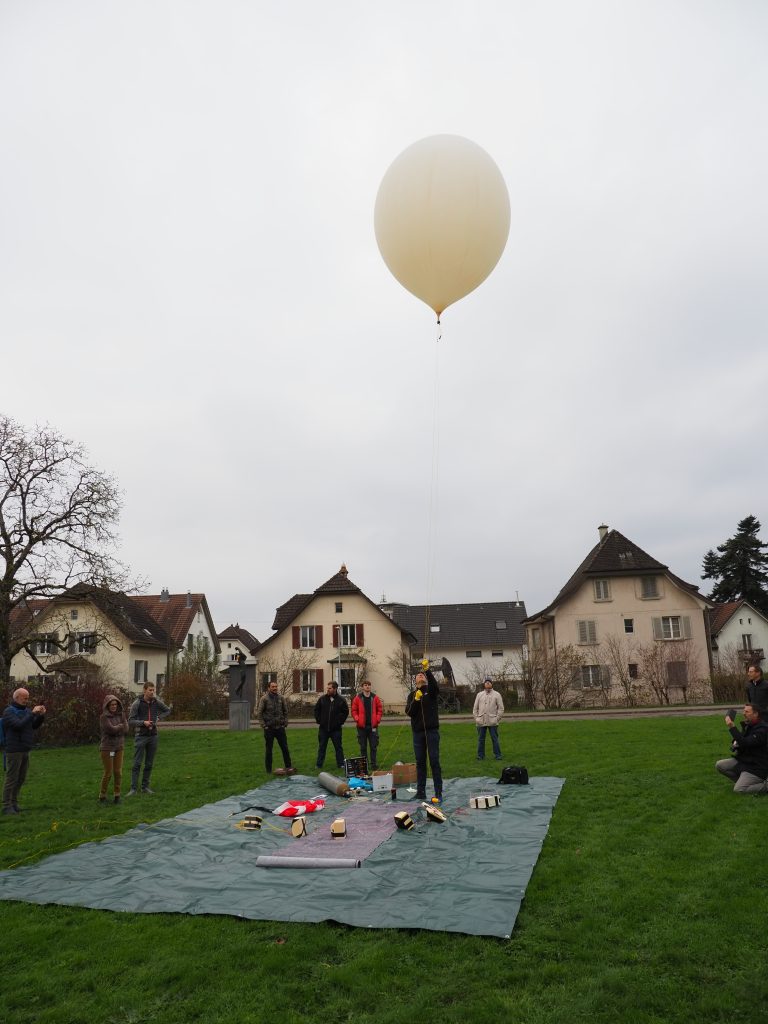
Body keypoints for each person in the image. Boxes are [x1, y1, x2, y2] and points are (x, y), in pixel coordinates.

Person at [2, 688, 46, 815]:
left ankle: (14, 803)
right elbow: (18, 725)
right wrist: (32, 713)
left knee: (21, 778)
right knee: (11, 778)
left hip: (25, 749)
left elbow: (33, 726)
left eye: (27, 698)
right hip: (14, 750)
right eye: (24, 698)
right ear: (16, 698)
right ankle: (6, 805)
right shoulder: (9, 712)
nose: (27, 700)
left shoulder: (26, 711)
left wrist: (41, 716)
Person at [127, 682, 171, 796]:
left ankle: (145, 787)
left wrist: (159, 717)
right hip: (141, 736)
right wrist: (143, 723)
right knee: (137, 763)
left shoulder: (156, 702)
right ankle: (133, 789)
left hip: (153, 736)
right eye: (150, 690)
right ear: (144, 690)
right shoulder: (137, 703)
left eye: (153, 690)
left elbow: (167, 710)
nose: (152, 692)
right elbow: (130, 721)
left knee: (149, 763)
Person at [405, 669, 443, 803]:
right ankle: (421, 792)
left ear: (425, 679)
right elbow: (409, 712)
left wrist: (428, 671)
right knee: (420, 763)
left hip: (431, 732)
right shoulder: (412, 695)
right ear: (415, 680)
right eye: (418, 675)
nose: (420, 675)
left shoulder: (431, 691)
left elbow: (435, 686)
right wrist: (416, 699)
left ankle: (438, 792)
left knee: (434, 761)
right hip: (418, 733)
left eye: (422, 675)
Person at [715, 703, 768, 794]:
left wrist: (732, 727)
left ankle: (765, 786)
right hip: (744, 761)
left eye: (747, 711)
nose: (743, 713)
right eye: (744, 711)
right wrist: (735, 743)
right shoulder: (748, 725)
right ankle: (742, 782)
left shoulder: (762, 729)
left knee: (739, 790)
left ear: (755, 714)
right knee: (720, 765)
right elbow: (741, 739)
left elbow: (745, 743)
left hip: (756, 766)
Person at [257, 680, 295, 775]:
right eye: (273, 687)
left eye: (276, 686)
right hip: (269, 728)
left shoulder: (281, 698)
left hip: (280, 728)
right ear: (268, 688)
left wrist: (285, 723)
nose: (275, 688)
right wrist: (263, 725)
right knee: (269, 750)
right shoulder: (264, 699)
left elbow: (285, 711)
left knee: (285, 748)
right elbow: (259, 713)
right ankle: (268, 770)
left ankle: (288, 767)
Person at [99, 694, 129, 804]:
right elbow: (110, 730)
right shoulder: (103, 717)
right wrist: (120, 727)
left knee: (118, 772)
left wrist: (119, 727)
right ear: (107, 706)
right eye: (111, 704)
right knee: (108, 772)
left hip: (119, 747)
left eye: (115, 704)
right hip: (107, 748)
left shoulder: (121, 715)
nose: (114, 706)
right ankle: (102, 795)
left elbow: (126, 729)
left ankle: (117, 795)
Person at [314, 680, 348, 770]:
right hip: (323, 729)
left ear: (335, 689)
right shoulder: (322, 699)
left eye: (330, 688)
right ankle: (319, 764)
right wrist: (319, 720)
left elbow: (345, 712)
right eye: (327, 688)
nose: (327, 690)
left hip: (336, 729)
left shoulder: (341, 700)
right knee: (322, 747)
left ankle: (341, 764)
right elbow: (316, 710)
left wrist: (339, 722)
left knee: (338, 747)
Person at [351, 679, 382, 771]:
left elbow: (379, 709)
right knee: (363, 747)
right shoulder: (358, 698)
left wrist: (377, 719)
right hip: (362, 727)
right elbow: (353, 710)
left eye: (369, 685)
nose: (367, 686)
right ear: (362, 687)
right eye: (365, 685)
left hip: (373, 726)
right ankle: (364, 766)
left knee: (373, 746)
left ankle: (373, 764)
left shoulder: (375, 697)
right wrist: (357, 719)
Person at [473, 677, 505, 761]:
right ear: (484, 684)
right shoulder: (479, 695)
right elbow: (475, 708)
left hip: (492, 721)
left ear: (492, 684)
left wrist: (497, 719)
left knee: (495, 739)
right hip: (481, 721)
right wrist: (476, 718)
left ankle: (498, 755)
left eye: (489, 682)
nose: (487, 683)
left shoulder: (497, 694)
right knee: (481, 739)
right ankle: (480, 755)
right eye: (486, 682)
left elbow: (501, 708)